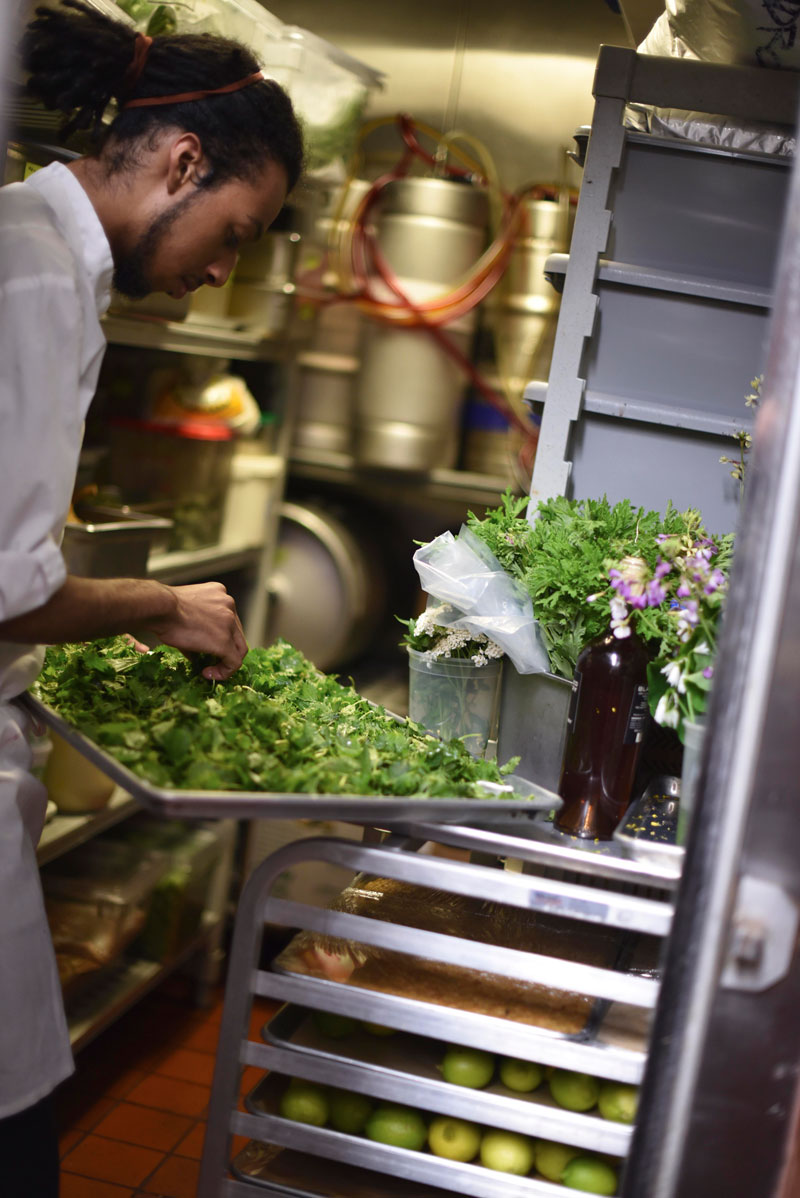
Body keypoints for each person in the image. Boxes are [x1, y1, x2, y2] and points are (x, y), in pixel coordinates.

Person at [0, 2, 304, 1192]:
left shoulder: (40, 254)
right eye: (235, 230)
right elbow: (12, 593)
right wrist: (157, 603)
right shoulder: (33, 280)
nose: (223, 268)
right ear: (182, 164)